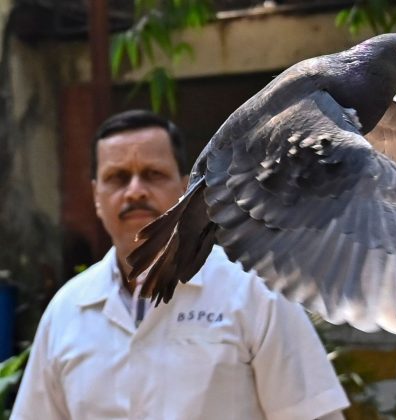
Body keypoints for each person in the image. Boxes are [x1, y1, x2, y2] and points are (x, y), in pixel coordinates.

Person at [11, 110, 350, 420]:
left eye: (153, 174)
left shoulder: (253, 290)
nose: (134, 191)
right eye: (117, 177)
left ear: (186, 187)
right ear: (96, 196)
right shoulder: (66, 311)